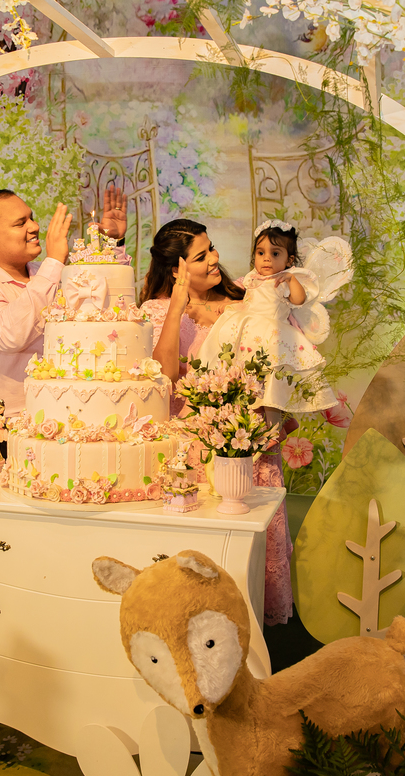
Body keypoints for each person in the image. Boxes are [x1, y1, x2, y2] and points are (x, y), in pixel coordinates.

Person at [138, 219, 297, 626]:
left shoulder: (245, 296)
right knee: (205, 557)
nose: (215, 258)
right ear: (176, 268)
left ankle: (253, 640)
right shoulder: (154, 311)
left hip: (248, 439)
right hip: (195, 450)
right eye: (201, 255)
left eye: (211, 248)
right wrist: (176, 308)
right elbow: (164, 379)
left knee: (250, 548)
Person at [0, 187, 127, 468]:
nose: (34, 227)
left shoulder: (48, 275)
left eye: (31, 218)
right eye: (20, 223)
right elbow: (10, 335)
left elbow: (101, 311)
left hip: (60, 426)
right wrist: (54, 263)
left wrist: (110, 243)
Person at [196, 220, 337, 414]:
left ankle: (273, 422)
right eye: (261, 253)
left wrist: (292, 280)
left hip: (272, 335)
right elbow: (250, 303)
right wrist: (232, 306)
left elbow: (298, 299)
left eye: (275, 254)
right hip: (250, 331)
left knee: (272, 381)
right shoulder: (252, 278)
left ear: (289, 260)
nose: (267, 259)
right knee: (246, 373)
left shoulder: (283, 279)